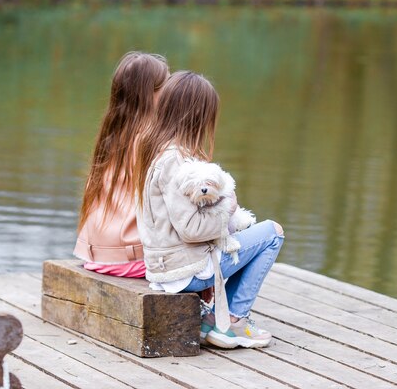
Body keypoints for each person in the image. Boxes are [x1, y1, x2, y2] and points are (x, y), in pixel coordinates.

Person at [133, 71, 285, 349]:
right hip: (183, 269)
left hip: (165, 266)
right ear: (197, 116)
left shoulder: (154, 150)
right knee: (272, 233)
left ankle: (219, 316)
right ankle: (232, 320)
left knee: (250, 237)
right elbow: (191, 229)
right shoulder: (174, 160)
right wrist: (228, 207)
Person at [73, 52, 169, 277]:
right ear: (150, 94)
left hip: (95, 256)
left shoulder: (112, 133)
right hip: (129, 259)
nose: (172, 91)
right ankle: (224, 312)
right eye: (167, 85)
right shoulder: (153, 140)